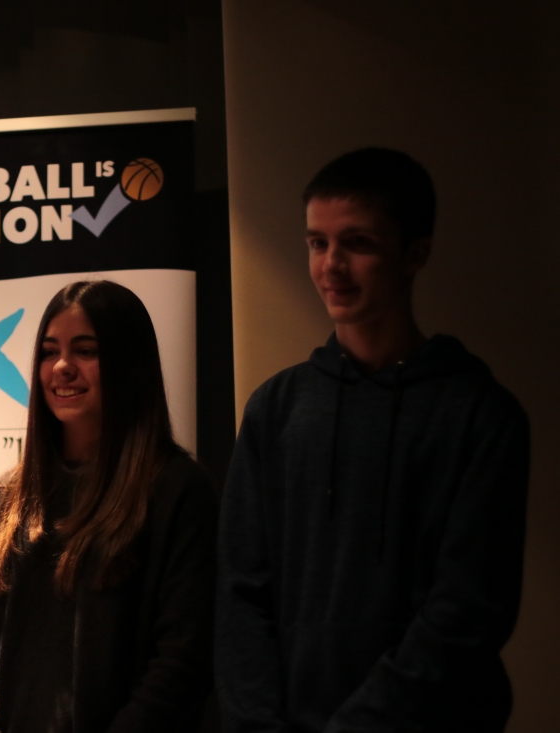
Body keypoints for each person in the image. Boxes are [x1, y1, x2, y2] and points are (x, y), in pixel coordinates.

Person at [216, 148, 530, 732]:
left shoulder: (480, 415)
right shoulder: (275, 409)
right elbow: (240, 594)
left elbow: (468, 609)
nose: (331, 266)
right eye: (317, 243)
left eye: (357, 243)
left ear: (415, 254)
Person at [0, 280, 218, 733]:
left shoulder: (177, 490)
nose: (62, 367)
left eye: (85, 350)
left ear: (128, 364)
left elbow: (183, 659)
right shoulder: (9, 496)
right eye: (49, 352)